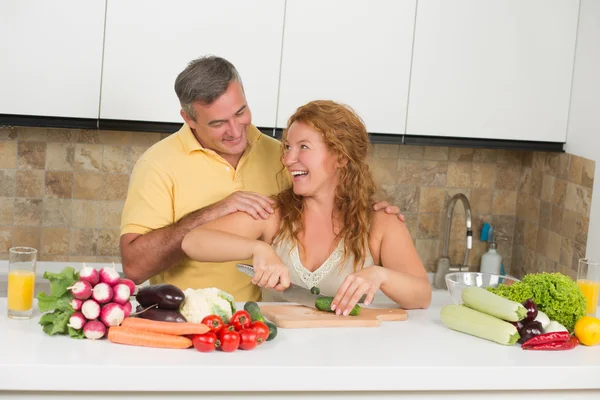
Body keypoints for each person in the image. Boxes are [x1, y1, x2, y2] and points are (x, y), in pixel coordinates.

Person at [120, 55, 404, 302]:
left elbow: (326, 194)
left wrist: (371, 212)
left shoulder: (280, 156)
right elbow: (135, 267)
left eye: (240, 112)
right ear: (189, 119)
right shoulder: (157, 165)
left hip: (259, 321)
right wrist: (214, 211)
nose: (235, 130)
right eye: (218, 123)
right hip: (185, 316)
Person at [181, 100, 432, 313]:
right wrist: (257, 249)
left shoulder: (380, 223)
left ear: (341, 157)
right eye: (288, 147)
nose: (289, 159)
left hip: (350, 359)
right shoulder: (274, 214)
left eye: (304, 147)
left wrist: (381, 275)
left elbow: (422, 296)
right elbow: (193, 241)